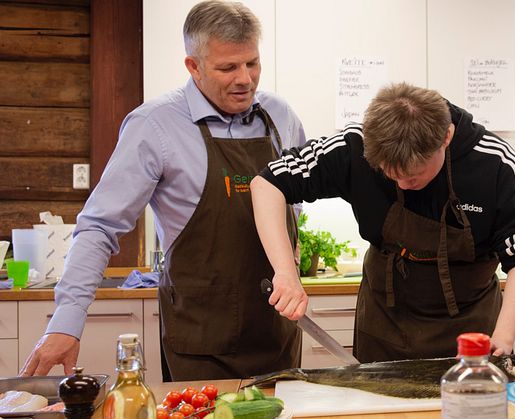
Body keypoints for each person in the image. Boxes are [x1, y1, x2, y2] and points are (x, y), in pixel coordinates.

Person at [19, 0, 306, 381]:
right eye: (227, 68)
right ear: (193, 66)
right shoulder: (154, 126)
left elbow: (296, 205)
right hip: (200, 341)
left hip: (277, 333)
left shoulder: (280, 117)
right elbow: (99, 227)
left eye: (252, 63)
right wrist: (66, 321)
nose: (245, 79)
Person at [251, 82, 515, 362]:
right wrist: (286, 273)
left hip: (471, 331)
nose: (403, 185)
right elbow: (267, 184)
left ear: (445, 138)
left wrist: (504, 337)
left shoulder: (496, 162)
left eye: (414, 175)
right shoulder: (355, 144)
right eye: (391, 175)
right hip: (384, 328)